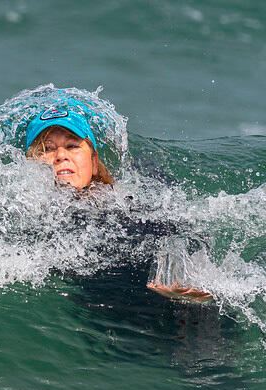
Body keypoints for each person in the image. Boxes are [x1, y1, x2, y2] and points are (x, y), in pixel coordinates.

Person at [23, 101, 212, 303]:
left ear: (94, 163)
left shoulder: (123, 202)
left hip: (167, 293)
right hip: (110, 313)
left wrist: (175, 270)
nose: (60, 155)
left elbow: (185, 231)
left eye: (72, 145)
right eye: (46, 149)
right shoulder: (25, 216)